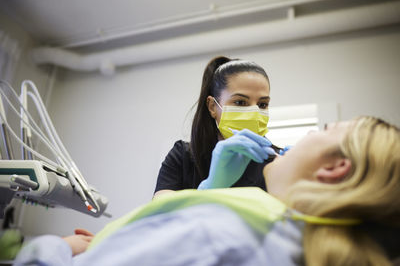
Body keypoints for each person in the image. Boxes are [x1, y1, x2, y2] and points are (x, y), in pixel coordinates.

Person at [14, 116, 400, 266]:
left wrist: (62, 248)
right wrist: (211, 188)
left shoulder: (220, 231)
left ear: (334, 168)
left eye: (324, 129)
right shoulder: (302, 249)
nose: (309, 134)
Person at [154, 56, 282, 197]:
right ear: (212, 106)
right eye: (240, 102)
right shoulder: (183, 156)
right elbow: (159, 214)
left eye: (262, 104)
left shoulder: (278, 162)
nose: (254, 112)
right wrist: (212, 186)